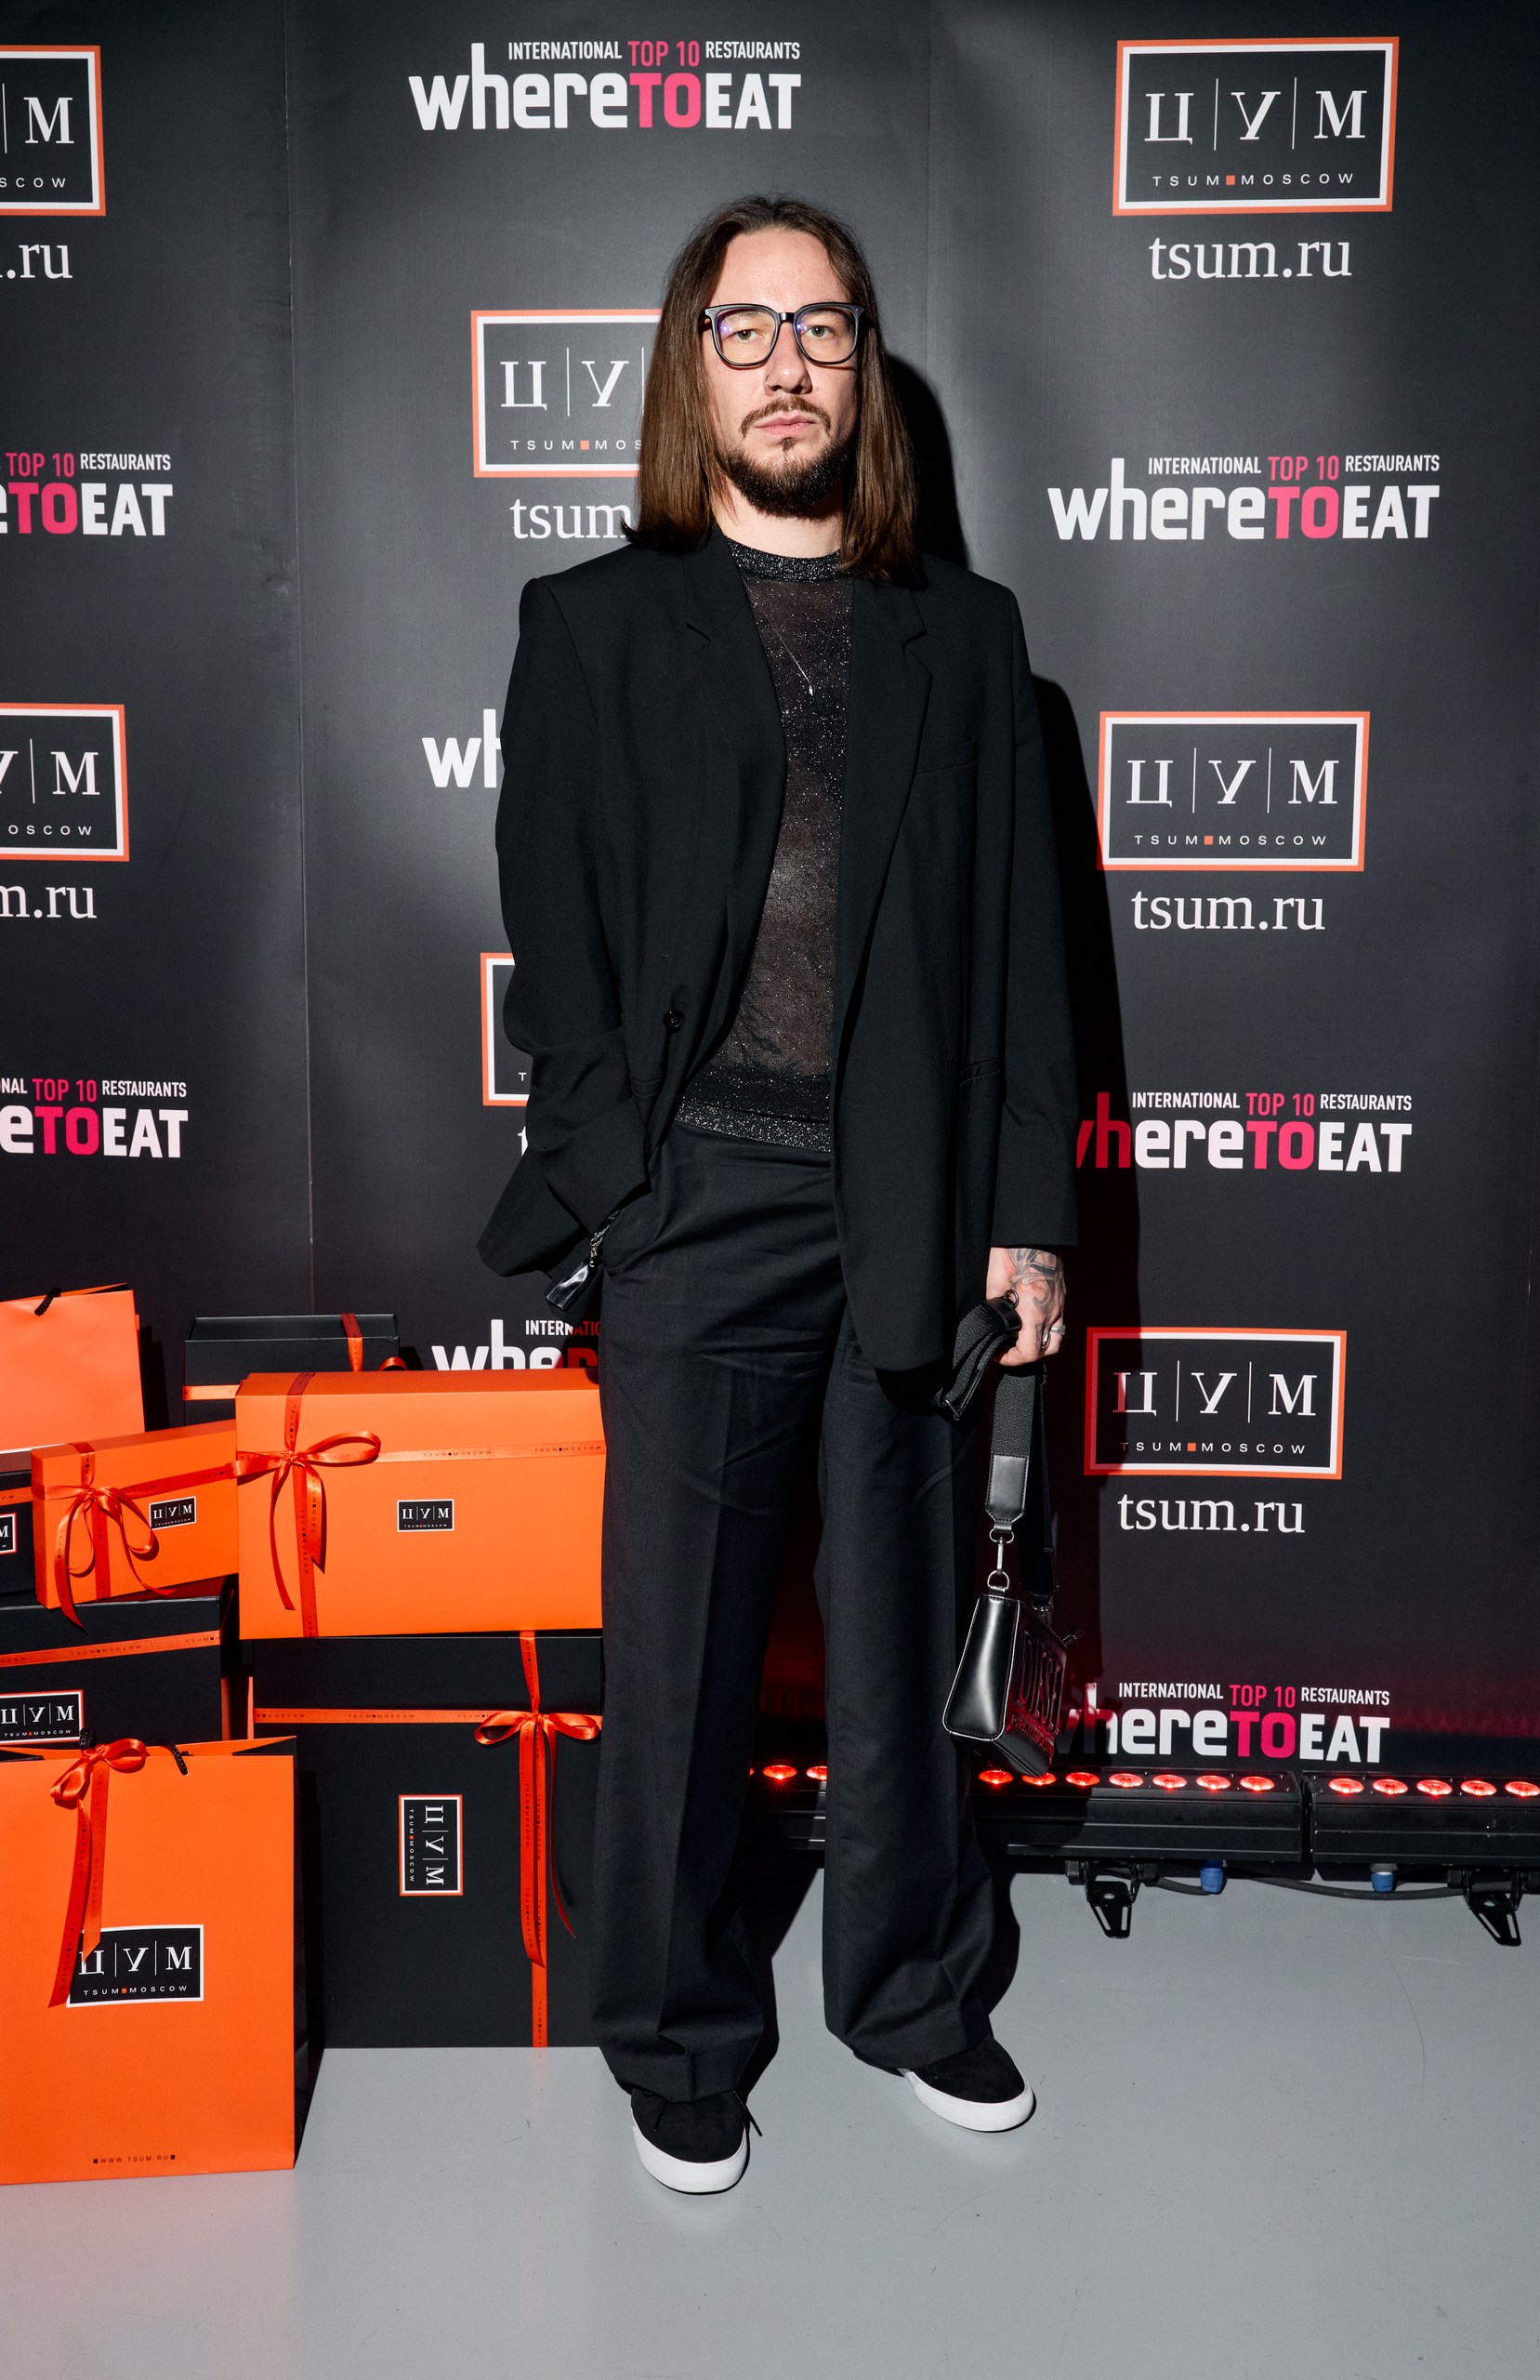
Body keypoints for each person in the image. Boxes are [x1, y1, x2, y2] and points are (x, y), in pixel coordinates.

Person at [481, 194, 1077, 2194]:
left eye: (821, 327)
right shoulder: (591, 624)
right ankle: (672, 2028)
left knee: (897, 1641)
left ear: (863, 367)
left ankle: (913, 1991)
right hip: (697, 1206)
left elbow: (1024, 955)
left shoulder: (964, 636)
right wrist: (621, 1176)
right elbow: (555, 939)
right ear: (693, 368)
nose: (787, 365)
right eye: (745, 330)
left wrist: (1026, 1212)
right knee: (678, 1655)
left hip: (912, 1210)